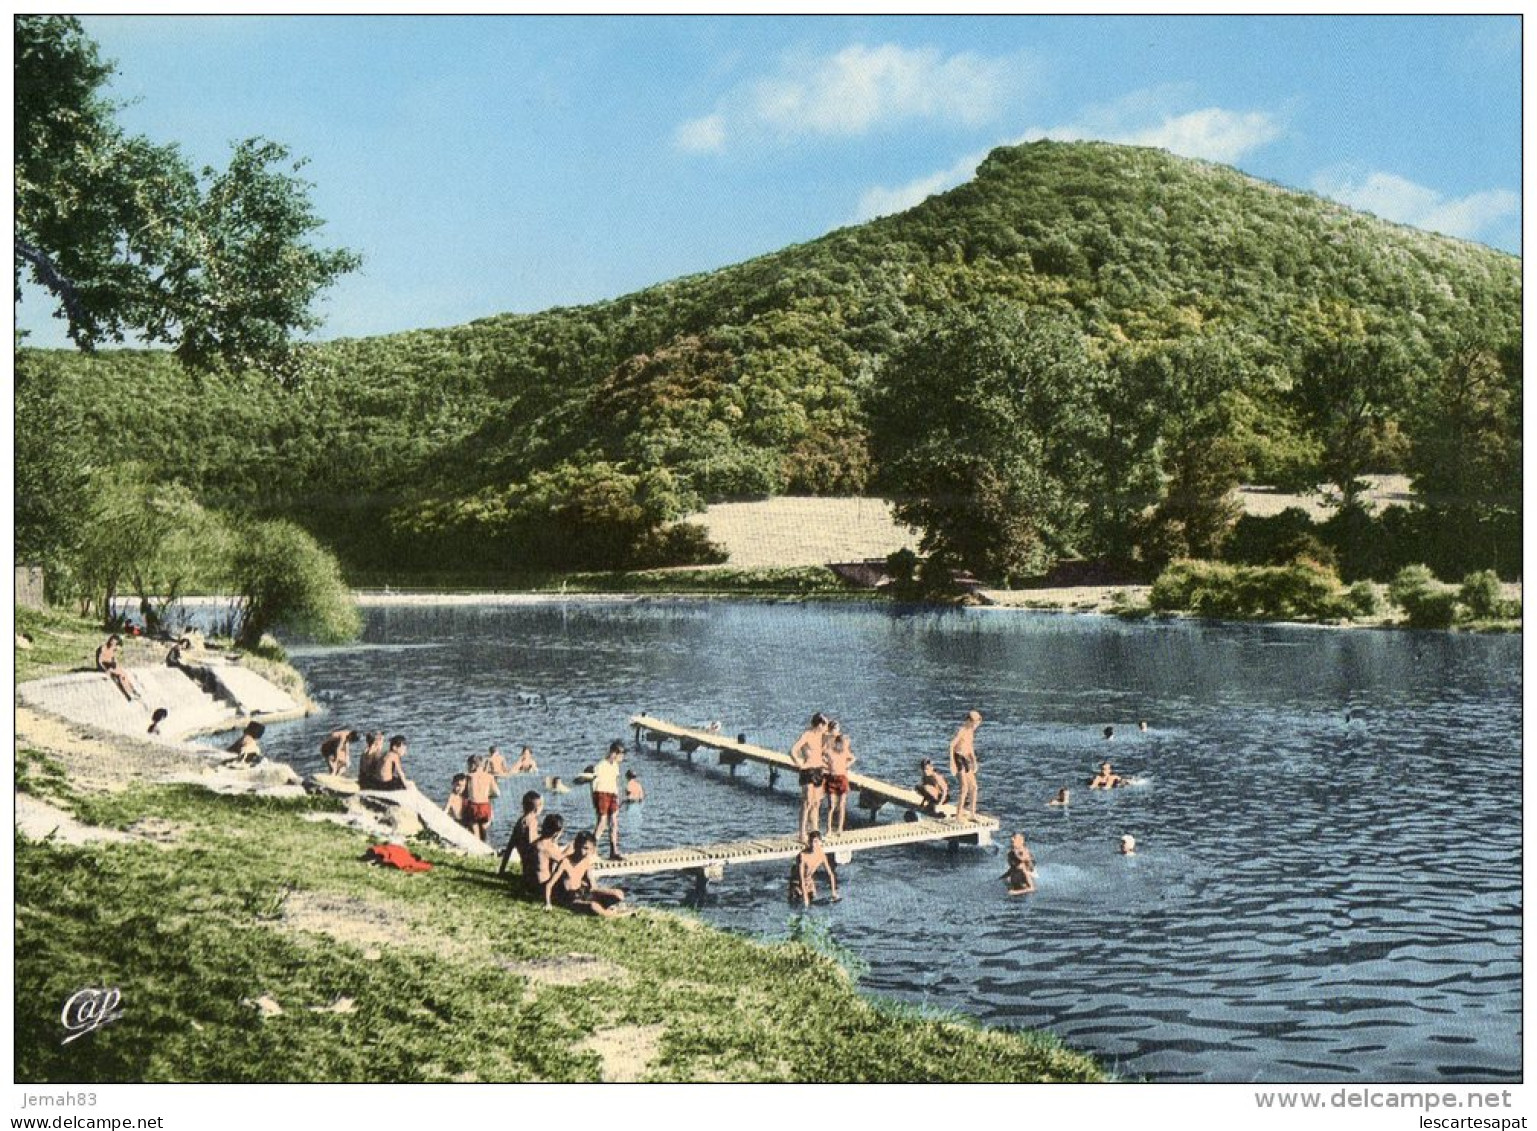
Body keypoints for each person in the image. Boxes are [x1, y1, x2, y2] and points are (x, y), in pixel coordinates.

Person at [545, 831, 627, 917]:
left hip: (584, 893)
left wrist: (602, 893)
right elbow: (549, 885)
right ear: (576, 845)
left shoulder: (586, 861)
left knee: (619, 894)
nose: (585, 852)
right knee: (593, 906)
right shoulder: (565, 862)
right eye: (584, 848)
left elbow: (593, 886)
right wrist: (548, 904)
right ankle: (617, 915)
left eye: (588, 849)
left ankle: (605, 909)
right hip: (571, 898)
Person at [790, 712, 829, 840]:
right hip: (808, 771)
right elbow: (793, 750)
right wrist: (800, 764)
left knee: (816, 803)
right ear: (819, 724)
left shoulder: (821, 737)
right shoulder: (807, 735)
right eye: (825, 725)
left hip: (818, 770)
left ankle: (814, 831)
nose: (826, 728)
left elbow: (821, 752)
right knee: (807, 802)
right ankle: (802, 833)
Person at [498, 790, 544, 883]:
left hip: (525, 863)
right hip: (532, 864)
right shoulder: (532, 822)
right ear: (536, 809)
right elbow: (531, 843)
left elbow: (510, 846)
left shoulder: (520, 821)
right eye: (541, 805)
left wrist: (502, 869)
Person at [591, 741, 626, 860]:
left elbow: (616, 781)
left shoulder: (615, 766)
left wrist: (618, 795)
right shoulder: (601, 765)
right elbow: (593, 782)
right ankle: (592, 850)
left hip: (612, 794)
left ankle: (613, 851)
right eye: (621, 755)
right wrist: (594, 799)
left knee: (614, 822)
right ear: (614, 753)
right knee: (602, 822)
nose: (622, 758)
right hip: (601, 793)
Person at [789, 830, 839, 907]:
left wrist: (833, 892)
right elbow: (801, 878)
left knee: (814, 900)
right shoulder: (802, 856)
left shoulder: (821, 854)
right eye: (811, 841)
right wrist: (805, 898)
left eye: (815, 842)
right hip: (797, 882)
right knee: (798, 902)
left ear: (820, 842)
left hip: (809, 881)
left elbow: (830, 874)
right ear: (808, 842)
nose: (813, 844)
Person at [949, 710, 983, 821]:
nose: (975, 726)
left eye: (977, 724)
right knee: (964, 787)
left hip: (965, 759)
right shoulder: (962, 730)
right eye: (974, 723)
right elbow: (951, 745)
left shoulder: (970, 732)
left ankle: (972, 814)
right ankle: (958, 815)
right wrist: (952, 763)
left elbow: (969, 748)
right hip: (958, 758)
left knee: (974, 787)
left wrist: (974, 761)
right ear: (968, 721)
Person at [823, 732, 856, 834]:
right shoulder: (830, 751)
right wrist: (827, 764)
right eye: (843, 744)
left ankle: (839, 828)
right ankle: (828, 829)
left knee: (842, 804)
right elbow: (821, 755)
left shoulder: (845, 752)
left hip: (842, 778)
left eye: (847, 745)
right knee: (831, 805)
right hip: (832, 778)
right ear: (837, 743)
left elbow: (853, 758)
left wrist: (847, 765)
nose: (845, 747)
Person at [530, 813, 569, 897]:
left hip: (531, 884)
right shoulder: (547, 847)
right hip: (541, 887)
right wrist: (570, 849)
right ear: (557, 832)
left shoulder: (536, 843)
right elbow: (565, 862)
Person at [464, 753, 500, 842]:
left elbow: (465, 794)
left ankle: (476, 848)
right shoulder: (489, 777)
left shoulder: (469, 776)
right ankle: (486, 845)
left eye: (468, 765)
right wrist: (488, 795)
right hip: (485, 806)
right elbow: (497, 793)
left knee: (475, 830)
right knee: (484, 828)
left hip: (474, 806)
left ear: (473, 765)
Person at [95, 634, 141, 701]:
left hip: (111, 666)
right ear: (109, 640)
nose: (113, 644)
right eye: (112, 641)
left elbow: (114, 660)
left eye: (115, 643)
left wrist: (117, 666)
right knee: (121, 675)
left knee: (124, 674)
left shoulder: (113, 649)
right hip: (104, 666)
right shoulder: (102, 648)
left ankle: (132, 690)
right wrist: (105, 670)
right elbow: (99, 661)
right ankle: (128, 693)